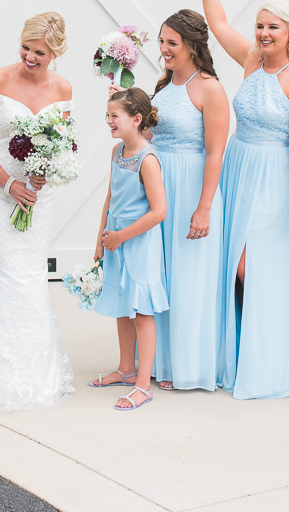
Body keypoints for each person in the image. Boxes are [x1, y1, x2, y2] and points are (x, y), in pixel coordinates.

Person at [197, 0, 289, 400]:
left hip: (274, 177)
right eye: (261, 26)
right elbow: (217, 22)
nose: (265, 34)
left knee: (258, 268)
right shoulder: (251, 61)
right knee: (233, 264)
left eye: (274, 27)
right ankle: (237, 356)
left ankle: (265, 363)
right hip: (238, 167)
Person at [0, 11, 75, 412]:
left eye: (39, 52)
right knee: (4, 274)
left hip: (37, 199)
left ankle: (33, 375)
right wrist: (10, 185)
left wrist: (44, 174)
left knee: (30, 277)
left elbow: (60, 143)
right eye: (26, 47)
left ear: (55, 52)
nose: (29, 56)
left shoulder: (63, 88)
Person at [148, 10, 229, 392]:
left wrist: (204, 207)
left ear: (192, 45)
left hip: (191, 187)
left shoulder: (209, 88)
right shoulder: (163, 86)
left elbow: (215, 152)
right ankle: (160, 358)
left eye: (172, 43)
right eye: (161, 41)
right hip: (160, 185)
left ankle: (189, 364)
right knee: (161, 272)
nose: (163, 49)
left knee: (189, 275)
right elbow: (149, 137)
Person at [89, 89, 168, 410]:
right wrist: (101, 239)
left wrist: (121, 236)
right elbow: (110, 197)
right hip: (115, 239)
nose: (109, 121)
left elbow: (159, 211)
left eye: (114, 116)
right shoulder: (117, 151)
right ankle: (125, 368)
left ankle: (143, 384)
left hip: (138, 242)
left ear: (136, 120)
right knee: (123, 304)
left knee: (142, 311)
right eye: (107, 116)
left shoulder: (147, 160)